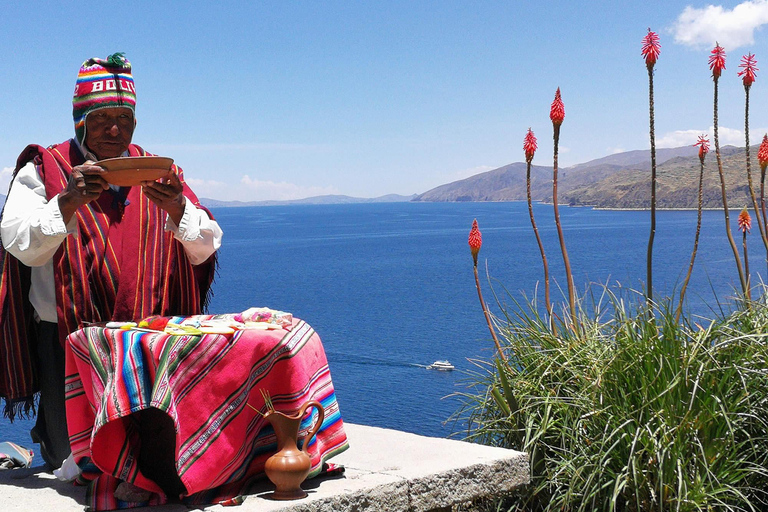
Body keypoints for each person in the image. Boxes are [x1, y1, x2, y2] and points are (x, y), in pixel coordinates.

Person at [0, 53, 222, 478]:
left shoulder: (157, 169)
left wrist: (177, 208)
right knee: (81, 460)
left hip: (149, 344)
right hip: (70, 344)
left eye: (124, 117)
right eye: (102, 118)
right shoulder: (44, 168)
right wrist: (65, 202)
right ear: (80, 121)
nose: (115, 129)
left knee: (153, 454)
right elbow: (20, 245)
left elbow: (206, 246)